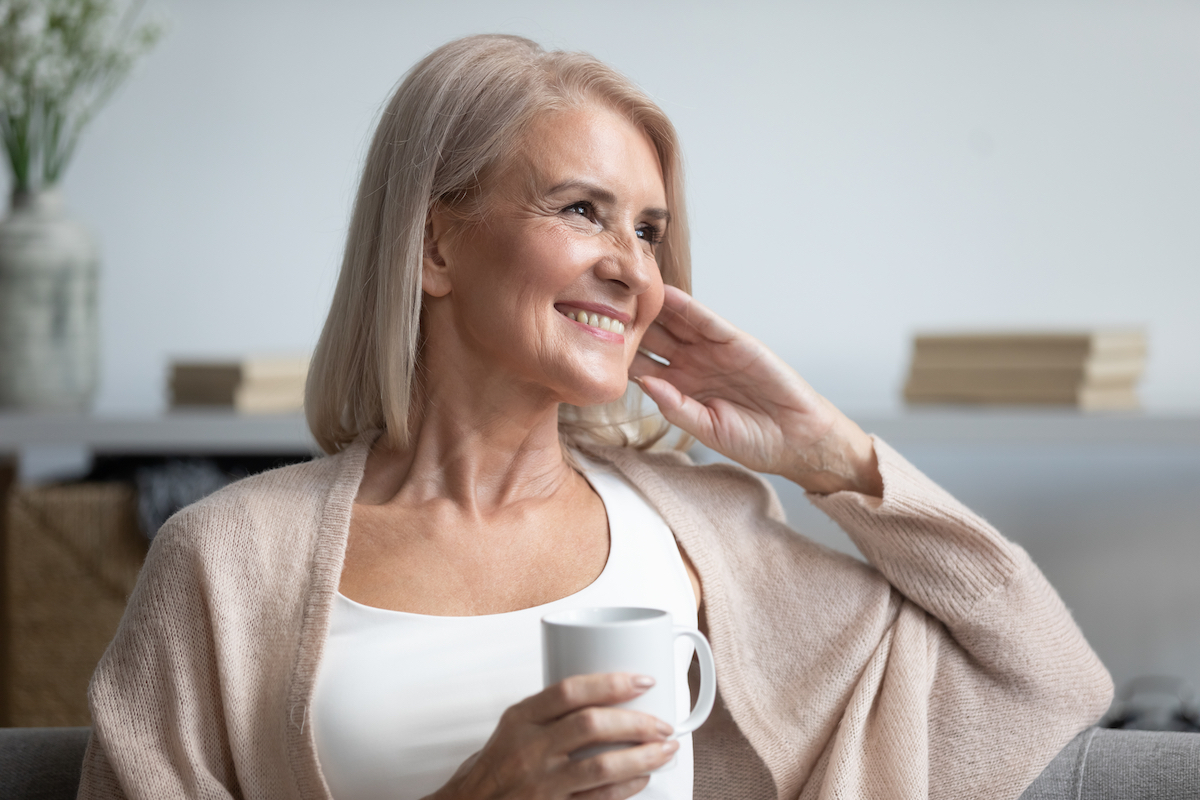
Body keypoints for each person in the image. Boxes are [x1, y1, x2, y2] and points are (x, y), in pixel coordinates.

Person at [78, 34, 1112, 800]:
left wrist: (827, 452)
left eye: (651, 229)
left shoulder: (713, 535)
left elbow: (1046, 673)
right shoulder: (223, 563)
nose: (632, 268)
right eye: (582, 210)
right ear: (435, 247)